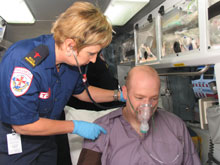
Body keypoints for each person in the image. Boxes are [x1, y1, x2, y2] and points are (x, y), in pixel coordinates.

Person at [0, 2, 123, 164]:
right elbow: (23, 125)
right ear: (70, 45)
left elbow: (82, 92)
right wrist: (74, 126)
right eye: (91, 53)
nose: (93, 60)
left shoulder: (71, 65)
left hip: (46, 140)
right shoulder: (24, 62)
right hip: (17, 146)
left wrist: (119, 95)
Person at [78, 65, 201, 165]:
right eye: (139, 97)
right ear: (125, 92)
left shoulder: (175, 126)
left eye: (153, 98)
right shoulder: (102, 128)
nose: (147, 105)